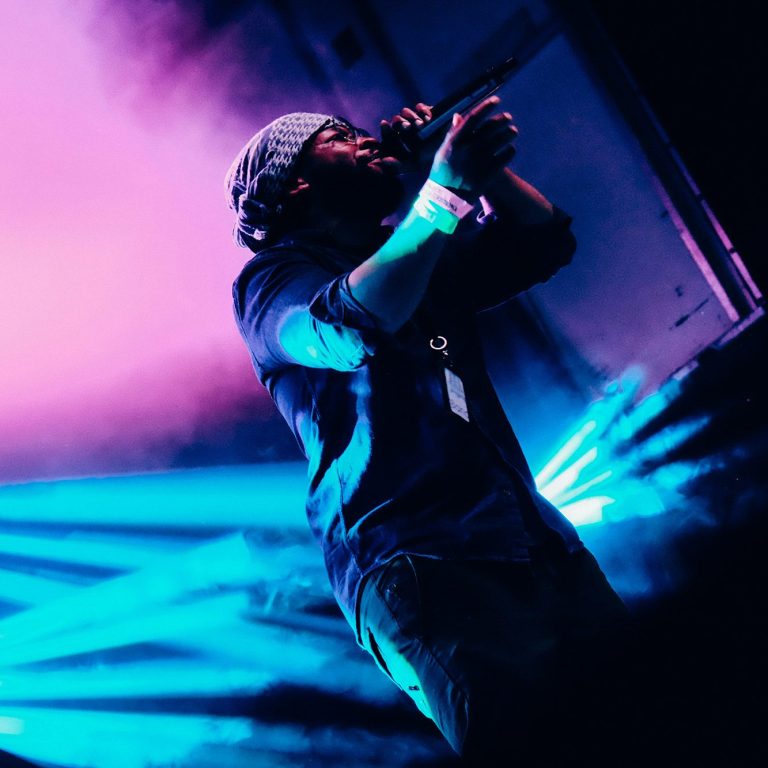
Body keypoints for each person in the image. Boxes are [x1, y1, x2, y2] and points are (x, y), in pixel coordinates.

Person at [225, 97, 627, 763]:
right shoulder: (272, 281)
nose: (365, 137)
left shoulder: (411, 249)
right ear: (294, 183)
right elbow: (346, 325)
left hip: (530, 536)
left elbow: (543, 241)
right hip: (417, 557)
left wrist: (476, 171)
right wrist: (441, 191)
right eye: (339, 136)